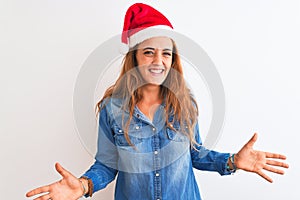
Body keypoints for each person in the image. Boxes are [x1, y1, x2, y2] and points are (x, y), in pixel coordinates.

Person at [26, 3, 289, 200]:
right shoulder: (112, 108)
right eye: (149, 52)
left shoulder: (186, 103)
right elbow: (107, 164)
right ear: (134, 58)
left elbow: (196, 154)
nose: (158, 61)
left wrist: (232, 161)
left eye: (166, 53)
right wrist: (83, 185)